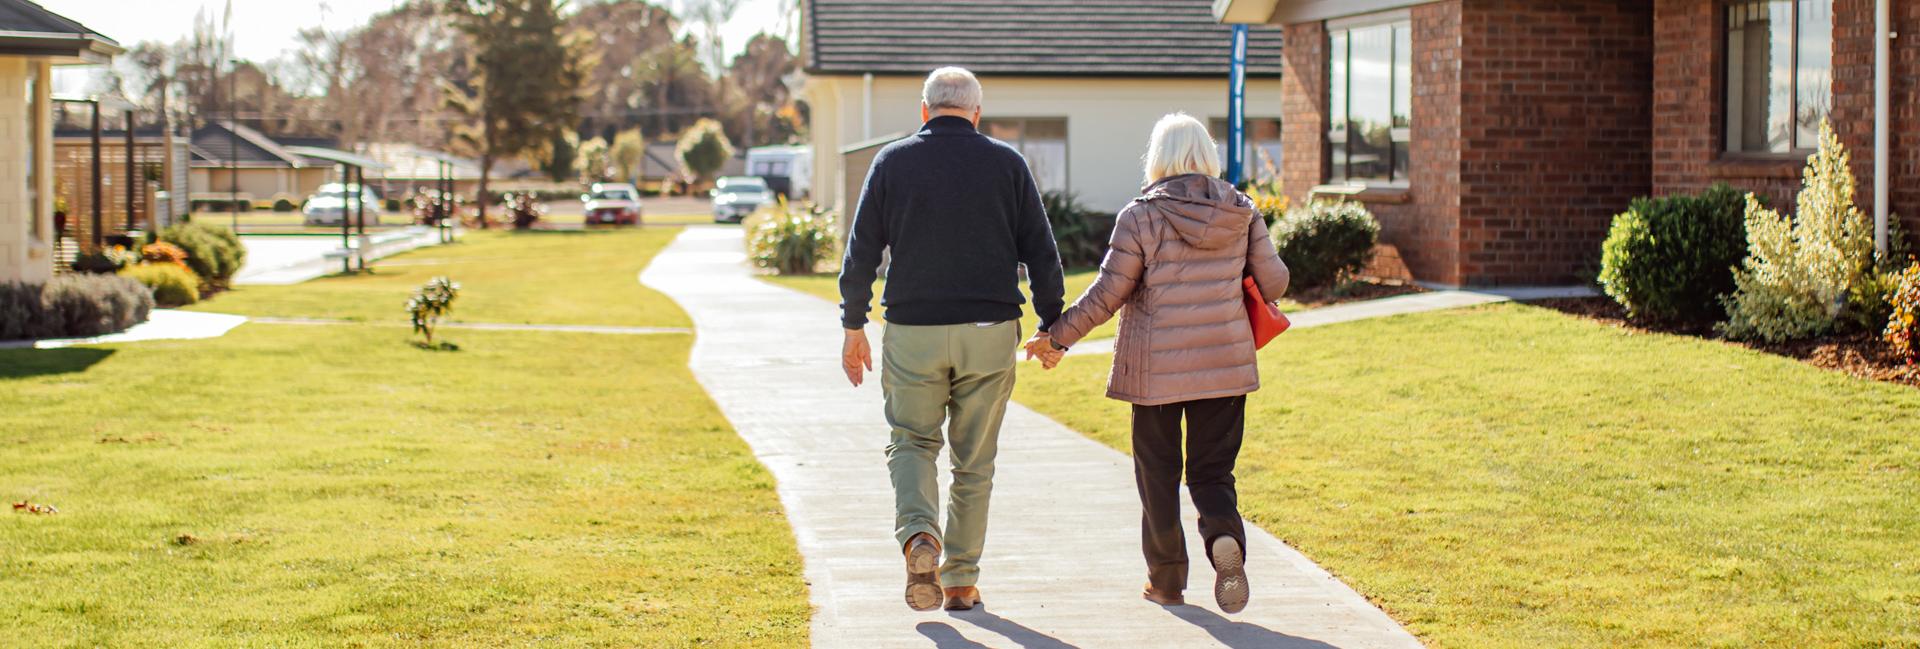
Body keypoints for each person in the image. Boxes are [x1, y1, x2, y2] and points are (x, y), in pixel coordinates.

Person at [1027, 113, 1289, 614]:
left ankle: (1166, 581)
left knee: (1158, 476)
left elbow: (1108, 293)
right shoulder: (1243, 211)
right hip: (1225, 368)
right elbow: (1274, 285)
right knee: (1212, 474)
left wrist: (1057, 338)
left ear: (1158, 157)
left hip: (1155, 377)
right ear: (1206, 155)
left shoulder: (1140, 215)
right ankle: (1222, 540)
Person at [837, 66, 1066, 613]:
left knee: (912, 440)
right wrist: (1052, 326)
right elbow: (1041, 249)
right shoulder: (1007, 163)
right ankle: (960, 582)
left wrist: (853, 325)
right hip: (989, 335)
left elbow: (861, 251)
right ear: (976, 113)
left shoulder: (892, 162)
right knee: (974, 461)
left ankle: (921, 535)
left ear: (924, 110)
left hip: (913, 330)